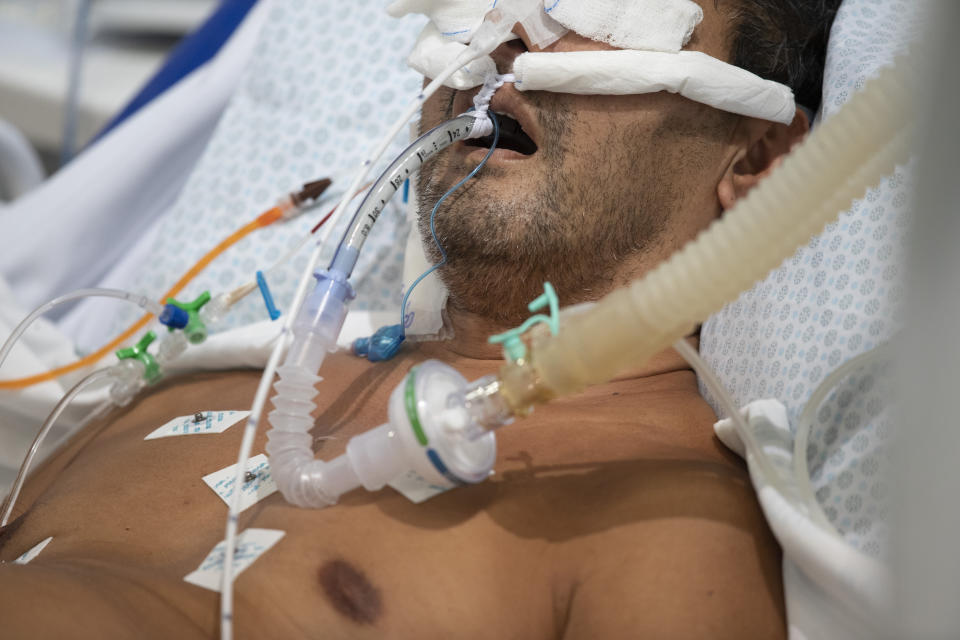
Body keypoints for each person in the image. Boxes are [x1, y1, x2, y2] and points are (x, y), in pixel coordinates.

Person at [0, 1, 837, 637]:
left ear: (758, 157)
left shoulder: (661, 517)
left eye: (603, 7)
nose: (510, 40)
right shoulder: (218, 381)